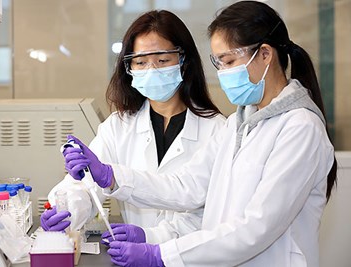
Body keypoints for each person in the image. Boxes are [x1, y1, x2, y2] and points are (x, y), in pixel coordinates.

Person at [63, 1, 338, 266]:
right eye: (218, 63)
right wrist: (112, 176)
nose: (223, 73)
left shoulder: (300, 128)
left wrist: (162, 255)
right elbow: (186, 187)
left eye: (229, 61)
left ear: (265, 54)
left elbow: (256, 228)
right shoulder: (238, 124)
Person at [40, 9, 226, 244]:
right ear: (129, 69)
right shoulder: (118, 127)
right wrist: (64, 210)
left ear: (184, 61)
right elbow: (84, 186)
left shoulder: (218, 130)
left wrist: (152, 237)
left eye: (162, 60)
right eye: (140, 62)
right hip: (131, 258)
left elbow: (212, 214)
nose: (151, 70)